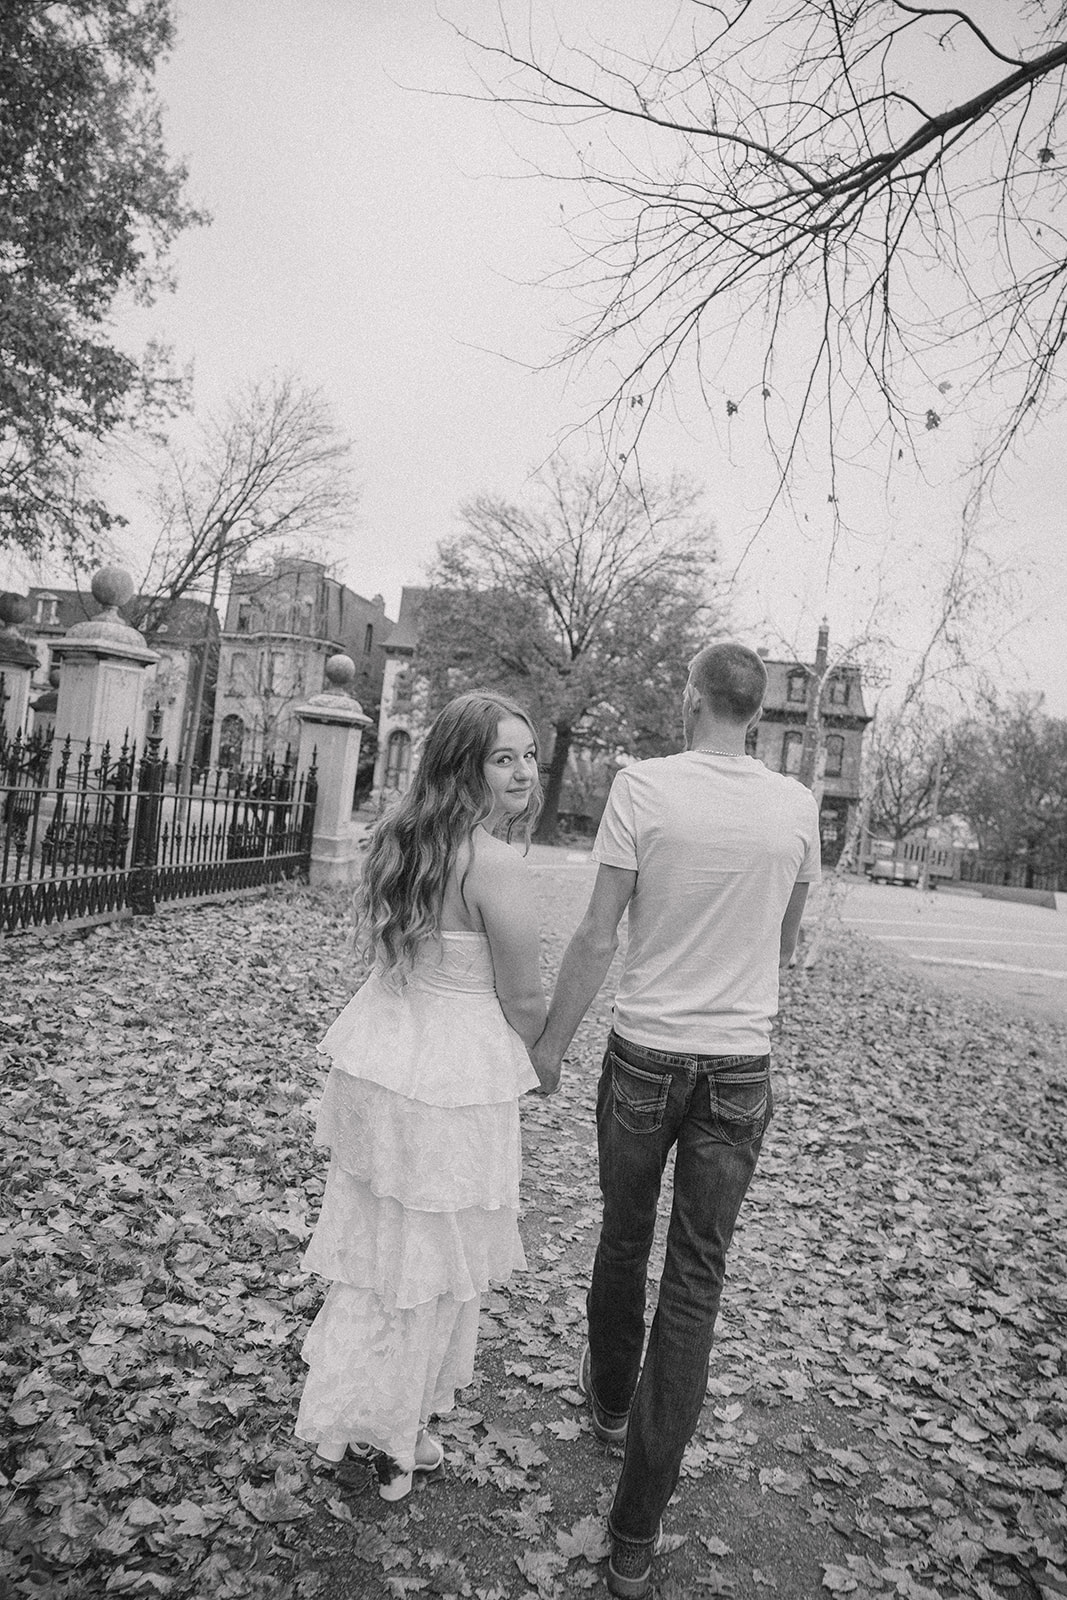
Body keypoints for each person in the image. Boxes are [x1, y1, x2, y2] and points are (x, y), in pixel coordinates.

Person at [531, 642, 820, 1599]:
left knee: (624, 1238)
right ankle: (634, 1536)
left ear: (691, 696)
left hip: (645, 1054)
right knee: (695, 1281)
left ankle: (612, 1404)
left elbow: (597, 932)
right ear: (759, 713)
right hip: (738, 1066)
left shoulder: (642, 787)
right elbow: (785, 943)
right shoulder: (795, 807)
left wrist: (550, 1045)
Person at [295, 691, 555, 1500]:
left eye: (528, 755)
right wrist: (543, 1053)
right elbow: (522, 998)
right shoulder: (495, 864)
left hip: (382, 1061)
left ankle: (354, 1413)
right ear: (463, 767)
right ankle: (395, 1434)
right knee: (429, 1261)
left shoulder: (403, 840)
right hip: (449, 1079)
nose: (522, 772)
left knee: (379, 1252)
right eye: (502, 758)